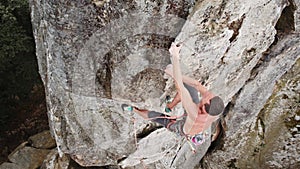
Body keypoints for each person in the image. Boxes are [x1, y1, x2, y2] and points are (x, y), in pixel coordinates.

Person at [122, 43, 225, 145]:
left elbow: (180, 87)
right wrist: (171, 72)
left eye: (204, 98)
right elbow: (197, 84)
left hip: (182, 128)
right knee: (191, 88)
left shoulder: (195, 114)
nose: (205, 94)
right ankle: (170, 106)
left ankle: (133, 109)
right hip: (194, 119)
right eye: (207, 96)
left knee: (157, 116)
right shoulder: (214, 105)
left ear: (203, 107)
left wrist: (175, 55)